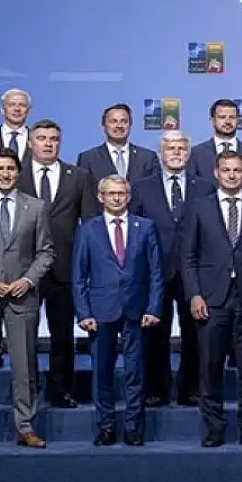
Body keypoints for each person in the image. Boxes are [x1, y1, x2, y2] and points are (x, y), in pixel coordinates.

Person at [181, 149, 242, 448]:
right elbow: (188, 257)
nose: (232, 175)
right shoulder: (199, 208)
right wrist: (194, 294)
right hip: (211, 300)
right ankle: (214, 427)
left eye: (237, 170)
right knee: (210, 367)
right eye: (226, 170)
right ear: (216, 173)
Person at [72, 176, 164, 446]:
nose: (116, 198)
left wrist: (154, 307)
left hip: (137, 310)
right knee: (102, 372)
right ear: (100, 197)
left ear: (129, 196)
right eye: (111, 193)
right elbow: (78, 276)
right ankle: (106, 427)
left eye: (121, 193)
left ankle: (134, 427)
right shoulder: (87, 230)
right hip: (100, 311)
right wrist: (83, 313)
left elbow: (156, 272)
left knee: (136, 371)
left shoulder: (145, 227)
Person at [16, 119, 99, 408]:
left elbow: (89, 224)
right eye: (42, 138)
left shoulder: (79, 176)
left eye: (53, 139)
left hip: (65, 269)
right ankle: (27, 391)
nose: (48, 144)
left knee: (62, 335)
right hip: (23, 270)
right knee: (24, 336)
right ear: (30, 143)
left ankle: (61, 390)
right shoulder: (16, 175)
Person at [130, 130, 212, 407]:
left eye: (181, 149)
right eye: (170, 148)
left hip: (195, 271)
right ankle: (157, 389)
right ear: (160, 154)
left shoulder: (205, 187)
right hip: (155, 271)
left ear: (188, 154)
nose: (176, 153)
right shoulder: (141, 187)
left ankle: (191, 389)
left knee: (195, 333)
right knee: (155, 334)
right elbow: (134, 232)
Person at [0, 148, 54, 447]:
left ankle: (25, 427)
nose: (5, 174)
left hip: (21, 298)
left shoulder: (36, 207)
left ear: (18, 172)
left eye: (10, 169)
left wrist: (28, 280)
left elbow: (46, 251)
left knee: (24, 367)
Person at [0, 90, 33, 369]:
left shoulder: (39, 142)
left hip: (26, 239)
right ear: (2, 108)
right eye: (12, 105)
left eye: (22, 106)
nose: (17, 109)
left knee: (24, 359)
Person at [185, 99, 242, 189]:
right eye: (222, 117)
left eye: (232, 117)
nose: (228, 121)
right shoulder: (195, 154)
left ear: (238, 120)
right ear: (212, 121)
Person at [76, 103, 160, 183]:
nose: (119, 126)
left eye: (124, 121)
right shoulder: (88, 159)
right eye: (113, 121)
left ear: (130, 125)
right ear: (104, 126)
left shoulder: (148, 158)